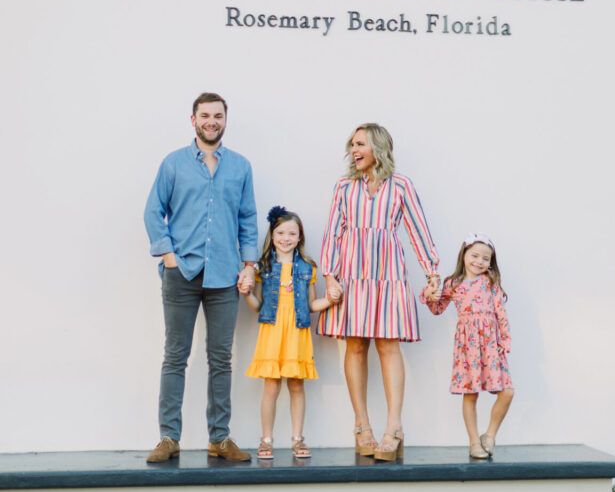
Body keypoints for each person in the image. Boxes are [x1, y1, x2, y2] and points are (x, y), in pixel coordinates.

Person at [144, 91, 258, 463]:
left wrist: (249, 265)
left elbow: (247, 220)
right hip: (182, 274)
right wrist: (168, 255)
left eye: (218, 116)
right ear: (192, 119)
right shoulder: (174, 164)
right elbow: (153, 211)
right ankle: (168, 438)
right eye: (205, 115)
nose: (212, 121)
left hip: (225, 275)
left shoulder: (240, 167)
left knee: (220, 359)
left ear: (226, 120)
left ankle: (220, 439)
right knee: (175, 356)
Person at [317, 123, 440, 461]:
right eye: (352, 144)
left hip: (388, 275)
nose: (354, 150)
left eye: (361, 144)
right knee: (355, 346)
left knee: (388, 346)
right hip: (351, 275)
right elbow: (332, 233)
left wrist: (432, 272)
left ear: (379, 149)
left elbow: (418, 229)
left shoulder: (401, 186)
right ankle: (362, 426)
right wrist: (330, 277)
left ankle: (394, 428)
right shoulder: (344, 187)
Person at [243, 205, 340, 458]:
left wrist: (330, 301)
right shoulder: (263, 267)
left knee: (297, 386)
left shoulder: (308, 268)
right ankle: (266, 439)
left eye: (292, 234)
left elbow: (311, 305)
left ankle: (298, 439)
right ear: (272, 236)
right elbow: (258, 307)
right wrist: (247, 294)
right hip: (272, 333)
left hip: (297, 333)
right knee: (271, 387)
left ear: (300, 238)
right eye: (281, 233)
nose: (286, 239)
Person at [421, 233, 514, 459]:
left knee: (507, 392)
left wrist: (504, 338)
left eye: (485, 259)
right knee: (470, 394)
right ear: (464, 255)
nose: (479, 262)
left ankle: (489, 435)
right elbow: (437, 308)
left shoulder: (489, 282)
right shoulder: (452, 283)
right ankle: (474, 442)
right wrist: (428, 294)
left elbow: (500, 312)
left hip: (491, 342)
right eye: (474, 255)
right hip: (468, 344)